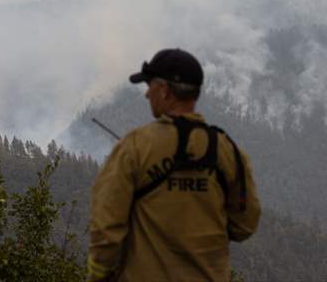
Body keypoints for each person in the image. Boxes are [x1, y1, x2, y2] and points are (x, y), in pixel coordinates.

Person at [87, 48, 261, 282]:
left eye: (150, 86)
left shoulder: (135, 147)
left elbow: (107, 228)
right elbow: (245, 225)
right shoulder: (227, 150)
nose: (147, 94)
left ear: (165, 91)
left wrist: (97, 275)